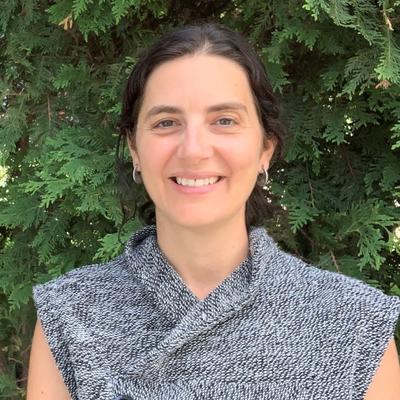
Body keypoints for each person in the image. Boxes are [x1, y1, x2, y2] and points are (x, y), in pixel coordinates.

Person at [27, 23, 400, 400]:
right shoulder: (69, 314)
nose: (193, 150)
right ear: (135, 149)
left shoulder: (357, 325)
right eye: (166, 123)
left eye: (224, 121)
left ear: (265, 149)